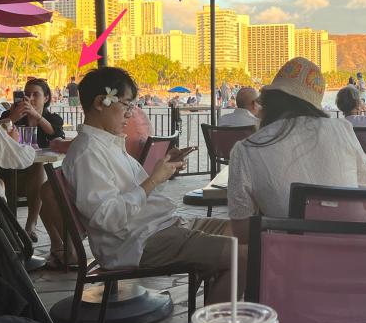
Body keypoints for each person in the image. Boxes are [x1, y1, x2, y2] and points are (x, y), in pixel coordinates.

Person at [55, 67, 236, 300]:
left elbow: (140, 192)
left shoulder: (107, 144)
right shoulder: (88, 153)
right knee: (245, 256)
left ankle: (217, 315)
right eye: (127, 105)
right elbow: (107, 218)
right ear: (101, 102)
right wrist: (153, 179)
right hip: (138, 242)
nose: (130, 114)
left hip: (159, 228)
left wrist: (164, 171)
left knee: (245, 230)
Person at [228, 58, 366, 242]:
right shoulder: (343, 129)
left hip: (293, 264)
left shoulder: (246, 150)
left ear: (271, 100)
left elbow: (243, 233)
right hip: (362, 255)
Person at [0, 78, 66, 241]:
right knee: (37, 170)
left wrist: (36, 116)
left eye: (36, 94)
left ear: (46, 98)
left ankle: (30, 226)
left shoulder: (53, 119)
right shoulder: (10, 115)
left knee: (38, 168)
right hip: (9, 173)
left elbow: (54, 133)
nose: (30, 98)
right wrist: (13, 118)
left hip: (34, 179)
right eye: (27, 94)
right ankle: (10, 227)